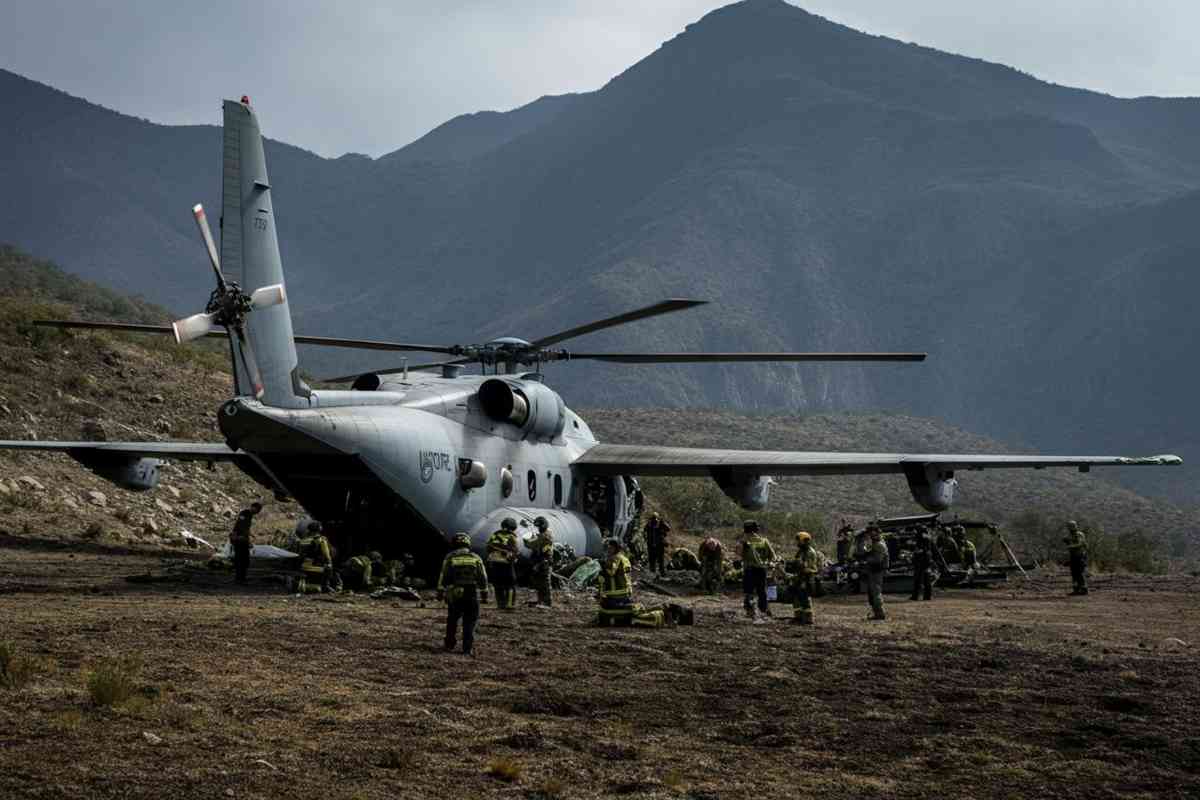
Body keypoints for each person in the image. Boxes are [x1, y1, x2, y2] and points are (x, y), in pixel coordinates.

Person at [437, 532, 489, 655]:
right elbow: (483, 577)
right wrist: (484, 593)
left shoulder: (450, 557)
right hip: (471, 592)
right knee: (470, 621)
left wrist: (440, 590)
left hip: (455, 592)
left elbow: (443, 575)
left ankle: (449, 643)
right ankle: (467, 648)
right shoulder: (476, 557)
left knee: (452, 619)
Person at [596, 539, 665, 628]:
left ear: (616, 548)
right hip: (625, 594)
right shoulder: (625, 558)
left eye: (611, 547)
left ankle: (653, 617)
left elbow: (610, 572)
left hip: (616, 596)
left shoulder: (615, 558)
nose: (608, 549)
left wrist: (603, 566)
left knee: (604, 611)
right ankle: (656, 611)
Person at [740, 521, 777, 619]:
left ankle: (751, 612)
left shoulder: (744, 542)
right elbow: (773, 556)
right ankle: (763, 611)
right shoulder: (764, 541)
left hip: (750, 570)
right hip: (762, 569)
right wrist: (770, 563)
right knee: (762, 591)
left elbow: (739, 555)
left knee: (749, 591)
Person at [292, 521, 341, 594]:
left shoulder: (302, 541)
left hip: (303, 568)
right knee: (332, 569)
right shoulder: (321, 540)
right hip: (318, 569)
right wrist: (329, 564)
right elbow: (327, 555)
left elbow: (298, 555)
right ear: (319, 529)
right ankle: (326, 586)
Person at [486, 517, 519, 610]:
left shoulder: (494, 535)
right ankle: (509, 604)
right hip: (506, 563)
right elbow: (515, 550)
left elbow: (488, 547)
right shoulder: (512, 537)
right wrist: (513, 559)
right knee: (510, 584)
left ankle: (500, 604)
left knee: (498, 584)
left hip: (495, 562)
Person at [788, 531, 820, 625]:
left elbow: (806, 567)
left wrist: (797, 564)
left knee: (805, 597)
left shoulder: (810, 552)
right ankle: (798, 617)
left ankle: (808, 618)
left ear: (805, 540)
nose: (797, 543)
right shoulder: (801, 551)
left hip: (807, 576)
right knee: (797, 597)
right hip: (800, 575)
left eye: (799, 540)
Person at [229, 501, 262, 585]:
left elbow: (245, 528)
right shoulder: (245, 513)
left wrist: (250, 536)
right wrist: (246, 538)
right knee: (241, 559)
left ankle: (241, 578)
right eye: (257, 509)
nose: (257, 512)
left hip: (242, 539)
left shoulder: (249, 515)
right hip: (239, 540)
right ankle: (239, 579)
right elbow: (241, 526)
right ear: (253, 507)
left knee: (244, 560)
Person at [861, 525, 889, 620]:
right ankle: (877, 613)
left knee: (876, 592)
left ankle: (880, 613)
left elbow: (878, 559)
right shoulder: (876, 543)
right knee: (872, 592)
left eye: (871, 533)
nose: (869, 535)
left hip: (877, 570)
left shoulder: (879, 544)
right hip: (873, 570)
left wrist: (866, 560)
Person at [528, 516, 554, 607]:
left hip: (544, 561)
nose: (537, 528)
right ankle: (540, 600)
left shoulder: (546, 536)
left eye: (538, 526)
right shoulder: (542, 535)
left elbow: (543, 551)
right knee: (538, 582)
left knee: (545, 583)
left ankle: (546, 602)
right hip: (539, 560)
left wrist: (539, 564)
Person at [1063, 520, 1089, 595]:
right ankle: (1076, 589)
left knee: (1080, 572)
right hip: (1073, 556)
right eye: (1069, 527)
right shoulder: (1070, 535)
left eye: (1071, 527)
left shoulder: (1079, 534)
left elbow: (1080, 544)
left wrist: (1070, 546)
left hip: (1080, 556)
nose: (1070, 529)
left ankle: (1084, 589)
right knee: (1074, 573)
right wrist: (1067, 541)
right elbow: (1071, 542)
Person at [909, 526, 934, 601]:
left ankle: (915, 596)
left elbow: (921, 549)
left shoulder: (921, 537)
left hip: (922, 559)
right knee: (926, 579)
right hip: (927, 559)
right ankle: (927, 596)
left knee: (918, 578)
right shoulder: (927, 536)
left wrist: (914, 553)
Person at [644, 512, 671, 578]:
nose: (654, 520)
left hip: (658, 545)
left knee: (659, 560)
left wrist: (663, 529)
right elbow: (645, 531)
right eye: (653, 518)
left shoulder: (660, 523)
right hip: (652, 544)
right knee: (653, 560)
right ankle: (654, 574)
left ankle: (660, 574)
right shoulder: (649, 524)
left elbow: (668, 529)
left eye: (655, 518)